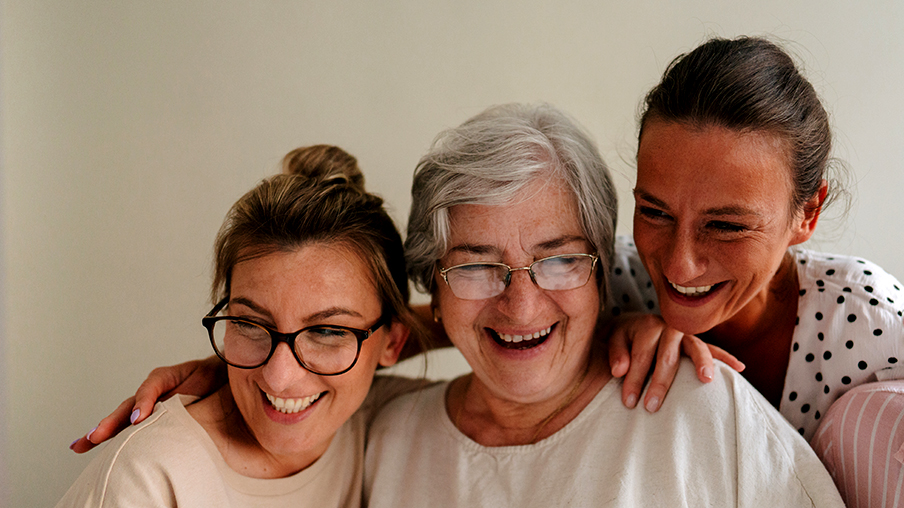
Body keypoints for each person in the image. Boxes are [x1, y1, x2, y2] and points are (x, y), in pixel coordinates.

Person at [363, 102, 842, 506]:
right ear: (432, 284)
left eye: (559, 260)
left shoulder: (705, 411)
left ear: (602, 272)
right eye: (475, 268)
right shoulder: (383, 436)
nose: (522, 307)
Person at [604, 36, 904, 504]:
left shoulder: (872, 324)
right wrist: (597, 335)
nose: (679, 262)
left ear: (807, 212)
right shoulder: (603, 285)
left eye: (725, 226)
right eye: (654, 212)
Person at [57, 145, 426, 507]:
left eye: (327, 331)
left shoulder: (387, 421)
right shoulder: (150, 477)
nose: (279, 377)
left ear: (394, 341)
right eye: (250, 324)